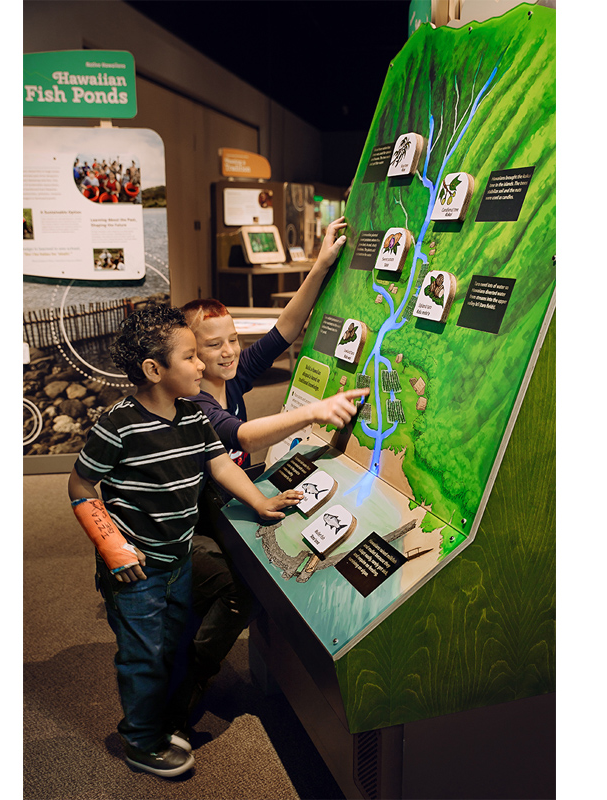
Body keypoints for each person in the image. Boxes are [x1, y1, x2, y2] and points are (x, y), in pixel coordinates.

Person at [67, 305, 302, 779]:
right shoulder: (118, 424)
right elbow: (79, 486)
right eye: (192, 357)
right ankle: (141, 742)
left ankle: (154, 719)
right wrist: (111, 545)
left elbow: (220, 465)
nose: (202, 366)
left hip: (177, 559)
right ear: (155, 370)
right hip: (134, 570)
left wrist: (260, 503)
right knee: (143, 654)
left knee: (169, 644)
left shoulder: (193, 417)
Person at [169, 217, 369, 729]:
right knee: (242, 585)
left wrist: (321, 265)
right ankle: (187, 684)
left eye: (233, 339)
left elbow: (284, 330)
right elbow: (241, 436)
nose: (231, 351)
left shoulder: (228, 376)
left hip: (227, 506)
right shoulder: (194, 399)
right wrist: (312, 412)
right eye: (214, 346)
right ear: (192, 355)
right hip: (193, 526)